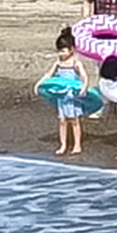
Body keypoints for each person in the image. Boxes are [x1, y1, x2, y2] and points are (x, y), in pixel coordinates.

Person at [38, 27, 94, 156]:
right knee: (62, 120)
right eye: (59, 51)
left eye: (63, 50)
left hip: (72, 95)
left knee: (74, 120)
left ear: (71, 49)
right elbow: (49, 75)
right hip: (62, 95)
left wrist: (84, 87)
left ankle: (77, 145)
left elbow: (84, 76)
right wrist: (39, 84)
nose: (61, 53)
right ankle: (63, 145)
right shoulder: (58, 63)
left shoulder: (76, 63)